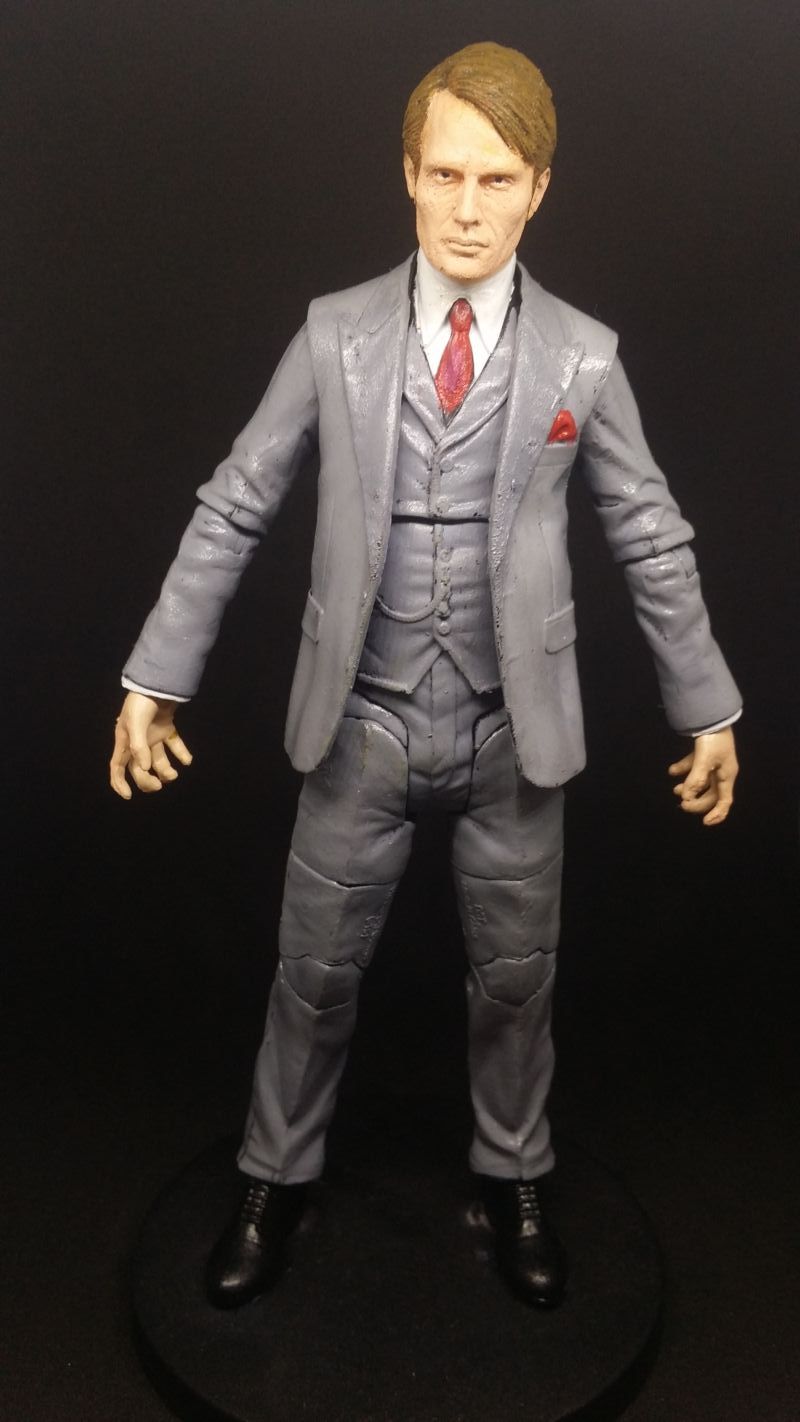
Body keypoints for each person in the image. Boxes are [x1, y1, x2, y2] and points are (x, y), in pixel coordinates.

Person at [110, 42, 740, 1310]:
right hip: (365, 717)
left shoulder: (579, 355)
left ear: (538, 188)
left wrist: (704, 703)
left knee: (515, 981)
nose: (465, 208)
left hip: (514, 729)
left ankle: (515, 1172)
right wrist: (158, 673)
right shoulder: (335, 335)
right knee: (312, 973)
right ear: (405, 173)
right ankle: (271, 1177)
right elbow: (237, 501)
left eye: (494, 179)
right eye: (443, 174)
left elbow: (646, 529)